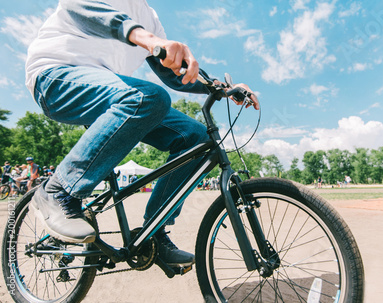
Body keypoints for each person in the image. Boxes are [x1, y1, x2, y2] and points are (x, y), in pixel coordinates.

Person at [25, 0, 259, 274]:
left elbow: (173, 77)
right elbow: (84, 10)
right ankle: (58, 192)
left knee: (195, 137)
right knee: (148, 97)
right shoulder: (144, 28)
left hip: (108, 89)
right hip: (54, 76)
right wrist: (149, 40)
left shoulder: (150, 17)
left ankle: (154, 232)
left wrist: (222, 87)